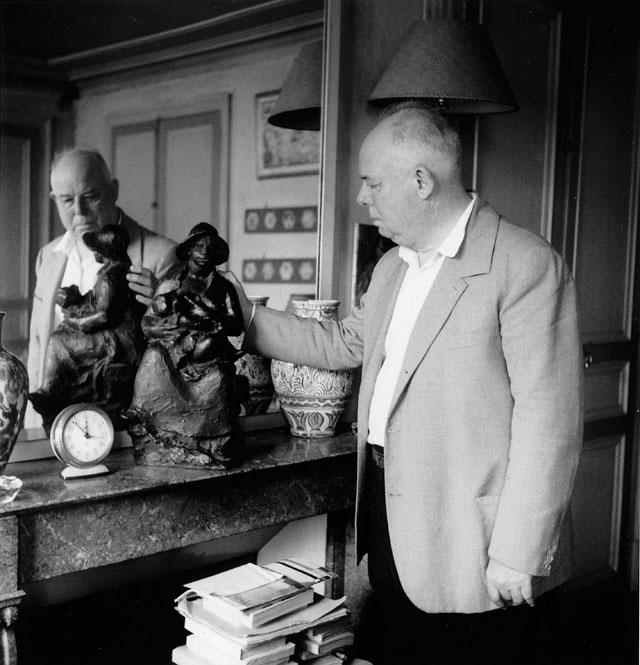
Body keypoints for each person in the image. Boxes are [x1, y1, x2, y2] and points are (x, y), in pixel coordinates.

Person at [222, 104, 583, 664]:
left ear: (421, 181)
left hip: (478, 539)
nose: (363, 197)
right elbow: (342, 342)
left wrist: (520, 550)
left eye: (371, 182)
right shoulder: (392, 266)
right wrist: (247, 315)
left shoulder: (525, 264)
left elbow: (550, 419)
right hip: (390, 518)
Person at [27, 148, 178, 401]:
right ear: (54, 199)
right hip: (58, 416)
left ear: (114, 190)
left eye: (91, 196)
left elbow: (186, 340)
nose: (79, 211)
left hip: (124, 410)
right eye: (66, 200)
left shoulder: (162, 255)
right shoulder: (48, 256)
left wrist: (162, 300)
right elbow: (38, 344)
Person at [126, 223, 245, 468]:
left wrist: (210, 321)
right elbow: (149, 323)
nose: (204, 251)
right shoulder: (171, 285)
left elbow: (235, 324)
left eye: (210, 247)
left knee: (216, 363)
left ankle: (212, 438)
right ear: (189, 249)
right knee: (153, 356)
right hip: (174, 348)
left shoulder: (224, 287)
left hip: (207, 352)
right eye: (199, 245)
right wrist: (164, 330)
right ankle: (149, 420)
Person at [29, 225, 144, 432]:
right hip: (113, 333)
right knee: (63, 334)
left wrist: (75, 322)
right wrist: (76, 300)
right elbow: (99, 303)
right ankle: (56, 394)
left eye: (97, 249)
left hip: (116, 341)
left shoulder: (111, 278)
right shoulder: (114, 270)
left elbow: (104, 315)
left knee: (59, 339)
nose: (94, 252)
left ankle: (51, 393)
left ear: (105, 252)